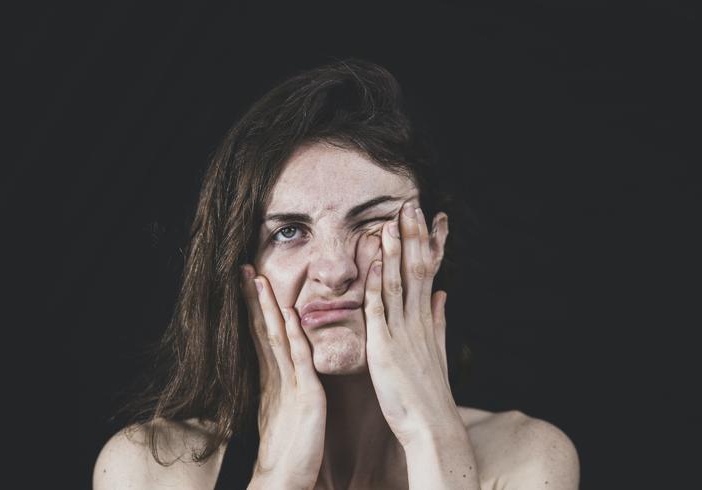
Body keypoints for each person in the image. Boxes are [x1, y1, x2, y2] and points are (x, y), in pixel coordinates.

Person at [93, 59, 580, 489]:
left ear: (432, 246)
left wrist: (433, 437)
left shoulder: (526, 458)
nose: (335, 271)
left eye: (372, 225)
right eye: (287, 232)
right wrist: (279, 476)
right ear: (243, 267)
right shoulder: (153, 469)